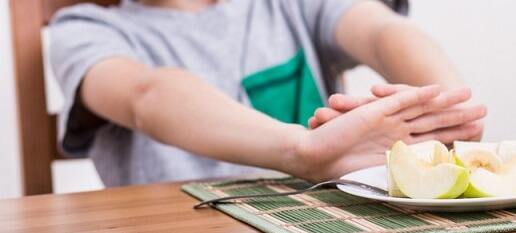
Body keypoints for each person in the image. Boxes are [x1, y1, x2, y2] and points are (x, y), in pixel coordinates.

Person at [49, 0, 486, 186]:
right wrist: (302, 149)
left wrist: (446, 111)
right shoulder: (85, 30)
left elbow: (382, 32)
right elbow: (147, 96)